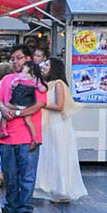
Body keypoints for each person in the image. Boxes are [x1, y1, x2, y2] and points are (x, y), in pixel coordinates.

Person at [0, 53, 47, 213]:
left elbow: (39, 104)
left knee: (27, 174)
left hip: (28, 136)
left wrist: (17, 113)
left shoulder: (35, 78)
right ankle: (11, 205)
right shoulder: (7, 79)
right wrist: (4, 109)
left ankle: (25, 207)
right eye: (13, 59)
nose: (15, 62)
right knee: (10, 174)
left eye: (19, 58)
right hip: (7, 136)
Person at [33, 56, 86, 203]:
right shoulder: (47, 84)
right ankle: (49, 187)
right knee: (49, 156)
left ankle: (61, 189)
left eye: (47, 64)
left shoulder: (58, 84)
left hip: (56, 124)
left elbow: (59, 106)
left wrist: (40, 105)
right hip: (48, 124)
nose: (43, 66)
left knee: (57, 155)